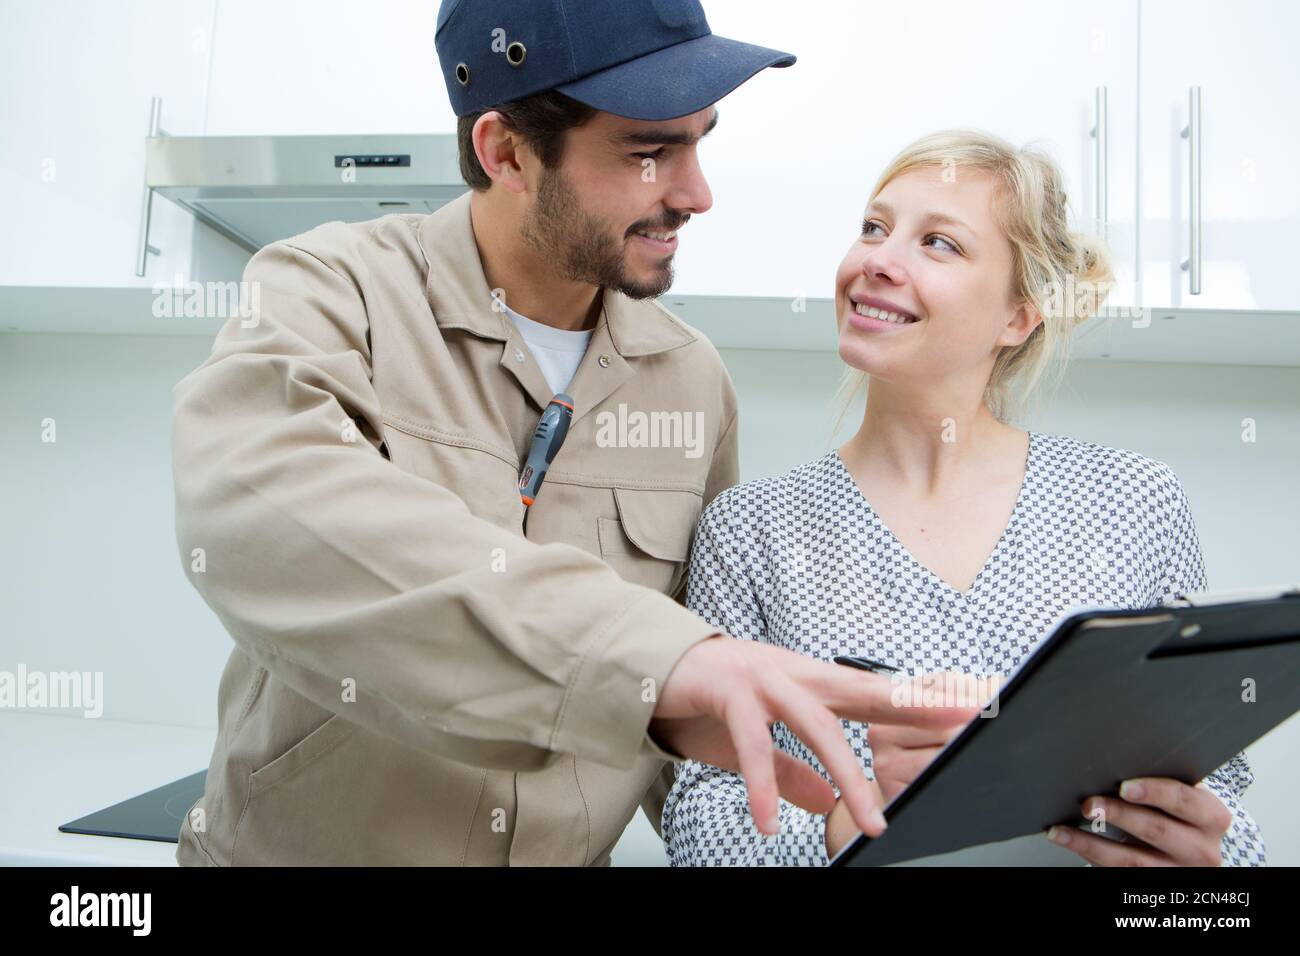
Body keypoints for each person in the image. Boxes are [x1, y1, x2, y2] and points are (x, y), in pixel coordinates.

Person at [169, 0, 975, 866]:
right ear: (506, 152)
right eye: (648, 152)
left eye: (701, 140)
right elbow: (257, 516)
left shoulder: (692, 381)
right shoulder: (329, 292)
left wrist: (862, 807)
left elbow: (680, 722)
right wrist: (651, 660)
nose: (695, 194)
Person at [663, 129, 1266, 867]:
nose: (877, 260)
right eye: (873, 228)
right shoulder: (751, 528)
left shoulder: (1135, 502)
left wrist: (1211, 863)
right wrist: (838, 835)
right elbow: (699, 816)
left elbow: (1224, 794)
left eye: (939, 244)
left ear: (1020, 314)